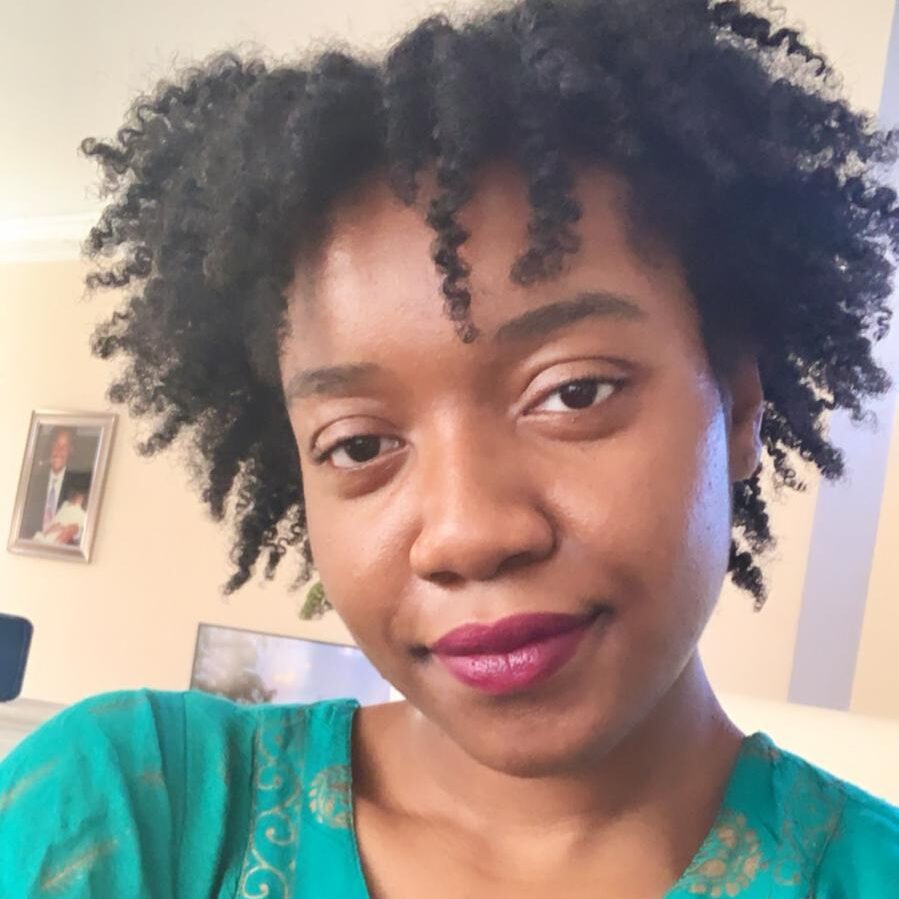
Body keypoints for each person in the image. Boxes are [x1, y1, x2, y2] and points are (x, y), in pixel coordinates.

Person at [1, 0, 898, 895]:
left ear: (737, 408)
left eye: (573, 392)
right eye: (358, 443)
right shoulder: (133, 811)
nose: (468, 533)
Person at [19, 426, 85, 541]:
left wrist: (75, 531)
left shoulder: (79, 484)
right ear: (50, 447)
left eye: (65, 447)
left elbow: (85, 523)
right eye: (56, 445)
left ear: (71, 450)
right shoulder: (32, 483)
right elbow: (21, 523)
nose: (59, 451)